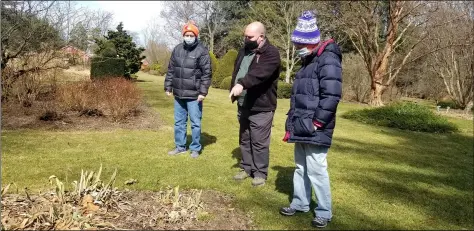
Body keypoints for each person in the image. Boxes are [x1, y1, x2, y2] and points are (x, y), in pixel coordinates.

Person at [279, 11, 342, 228]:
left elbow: (331, 95)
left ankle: (324, 211)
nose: (297, 49)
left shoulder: (328, 59)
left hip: (315, 127)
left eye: (299, 45)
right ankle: (300, 203)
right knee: (300, 167)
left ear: (311, 42)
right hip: (301, 124)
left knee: (316, 169)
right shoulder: (308, 60)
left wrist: (317, 123)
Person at [229, 22, 281, 187]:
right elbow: (237, 71)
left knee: (259, 142)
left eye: (250, 37)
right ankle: (246, 168)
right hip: (244, 104)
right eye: (245, 36)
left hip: (262, 106)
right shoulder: (243, 51)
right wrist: (234, 86)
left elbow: (259, 74)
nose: (246, 39)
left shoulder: (271, 53)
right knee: (245, 139)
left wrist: (241, 84)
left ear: (261, 37)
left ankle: (260, 173)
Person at [164, 20, 212, 158]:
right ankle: (180, 146)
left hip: (194, 95)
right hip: (179, 94)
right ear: (183, 35)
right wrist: (168, 86)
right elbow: (171, 69)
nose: (189, 37)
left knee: (195, 123)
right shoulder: (177, 49)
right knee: (179, 123)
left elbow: (206, 73)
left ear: (196, 36)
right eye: (187, 34)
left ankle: (195, 148)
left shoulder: (202, 51)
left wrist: (203, 92)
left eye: (192, 35)